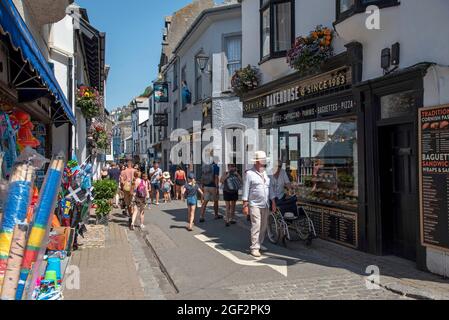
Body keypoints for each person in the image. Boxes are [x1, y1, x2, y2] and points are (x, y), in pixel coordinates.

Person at [242, 151, 276, 258]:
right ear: (257, 162)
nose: (264, 163)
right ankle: (254, 247)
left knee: (264, 226)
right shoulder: (249, 174)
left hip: (265, 204)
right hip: (254, 204)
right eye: (263, 161)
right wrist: (245, 205)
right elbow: (245, 190)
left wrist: (273, 202)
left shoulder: (266, 173)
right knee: (256, 225)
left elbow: (270, 189)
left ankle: (259, 243)